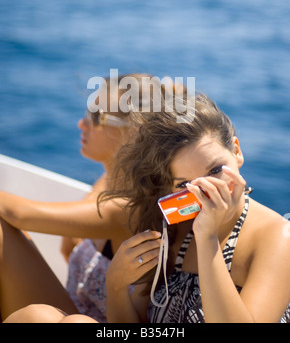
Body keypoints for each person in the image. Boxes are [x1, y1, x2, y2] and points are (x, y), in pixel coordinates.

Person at [0, 72, 172, 322]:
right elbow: (70, 243)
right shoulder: (110, 181)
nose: (82, 123)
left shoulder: (129, 207)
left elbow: (18, 214)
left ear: (134, 133)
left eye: (97, 117)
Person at [100, 93, 290, 323]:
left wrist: (207, 237)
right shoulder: (174, 227)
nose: (206, 190)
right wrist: (116, 285)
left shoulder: (278, 237)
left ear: (237, 152)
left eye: (215, 170)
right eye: (185, 184)